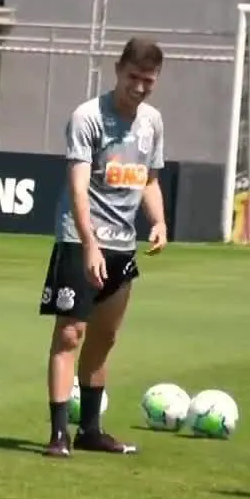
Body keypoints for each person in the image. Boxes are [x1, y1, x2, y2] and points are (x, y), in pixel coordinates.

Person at [40, 37, 167, 458]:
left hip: (122, 247)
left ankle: (90, 431)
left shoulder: (152, 122)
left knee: (104, 338)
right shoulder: (87, 117)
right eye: (134, 78)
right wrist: (90, 245)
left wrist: (160, 221)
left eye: (148, 80)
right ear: (118, 70)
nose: (140, 87)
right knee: (70, 333)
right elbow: (78, 189)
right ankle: (59, 434)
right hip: (81, 241)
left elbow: (147, 178)